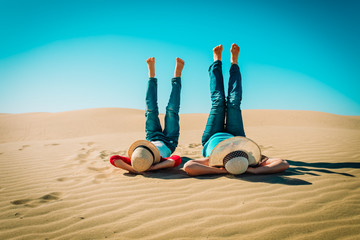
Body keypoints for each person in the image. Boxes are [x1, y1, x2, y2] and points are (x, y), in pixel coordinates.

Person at [183, 44, 289, 176]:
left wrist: (220, 170)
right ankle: (234, 63)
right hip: (237, 135)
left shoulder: (213, 160)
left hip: (212, 136)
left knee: (218, 101)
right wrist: (254, 170)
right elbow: (283, 163)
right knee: (234, 101)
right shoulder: (244, 159)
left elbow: (189, 167)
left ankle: (217, 61)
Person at [110, 57, 185, 174]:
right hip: (169, 140)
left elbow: (113, 159)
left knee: (150, 110)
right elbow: (176, 159)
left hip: (152, 136)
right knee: (171, 111)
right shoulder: (158, 161)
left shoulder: (137, 161)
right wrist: (152, 168)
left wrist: (135, 169)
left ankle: (151, 76)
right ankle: (177, 77)